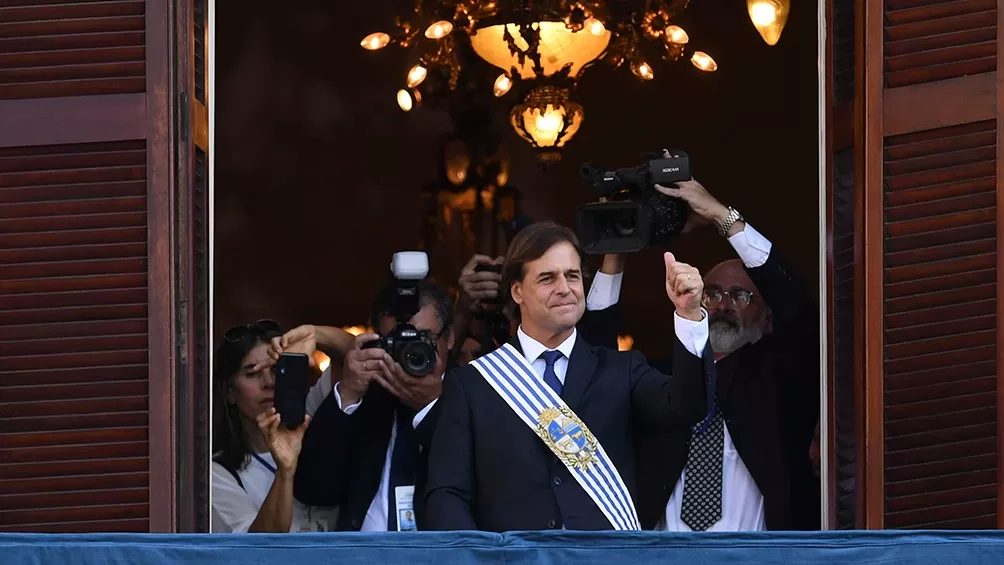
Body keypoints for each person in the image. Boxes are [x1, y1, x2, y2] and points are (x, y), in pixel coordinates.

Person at [424, 222, 713, 532]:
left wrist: (688, 314)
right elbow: (447, 494)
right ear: (517, 290)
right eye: (548, 278)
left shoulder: (622, 370)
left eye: (572, 276)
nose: (565, 288)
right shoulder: (473, 385)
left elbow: (687, 407)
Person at [633, 178, 820, 531]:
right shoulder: (657, 376)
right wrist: (617, 250)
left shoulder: (780, 373)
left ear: (767, 319)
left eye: (741, 296)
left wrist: (724, 217)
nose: (723, 305)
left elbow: (797, 307)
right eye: (713, 293)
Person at [290, 280, 455, 531]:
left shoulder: (473, 394)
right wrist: (348, 393)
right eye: (398, 341)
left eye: (425, 338)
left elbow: (487, 484)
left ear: (450, 337)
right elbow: (314, 491)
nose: (413, 351)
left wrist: (431, 407)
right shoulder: (367, 398)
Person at [209, 320, 338, 533]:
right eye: (252, 373)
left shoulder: (310, 416)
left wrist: (315, 334)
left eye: (278, 370)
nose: (269, 382)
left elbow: (353, 354)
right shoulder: (219, 473)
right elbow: (259, 548)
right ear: (230, 392)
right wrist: (284, 471)